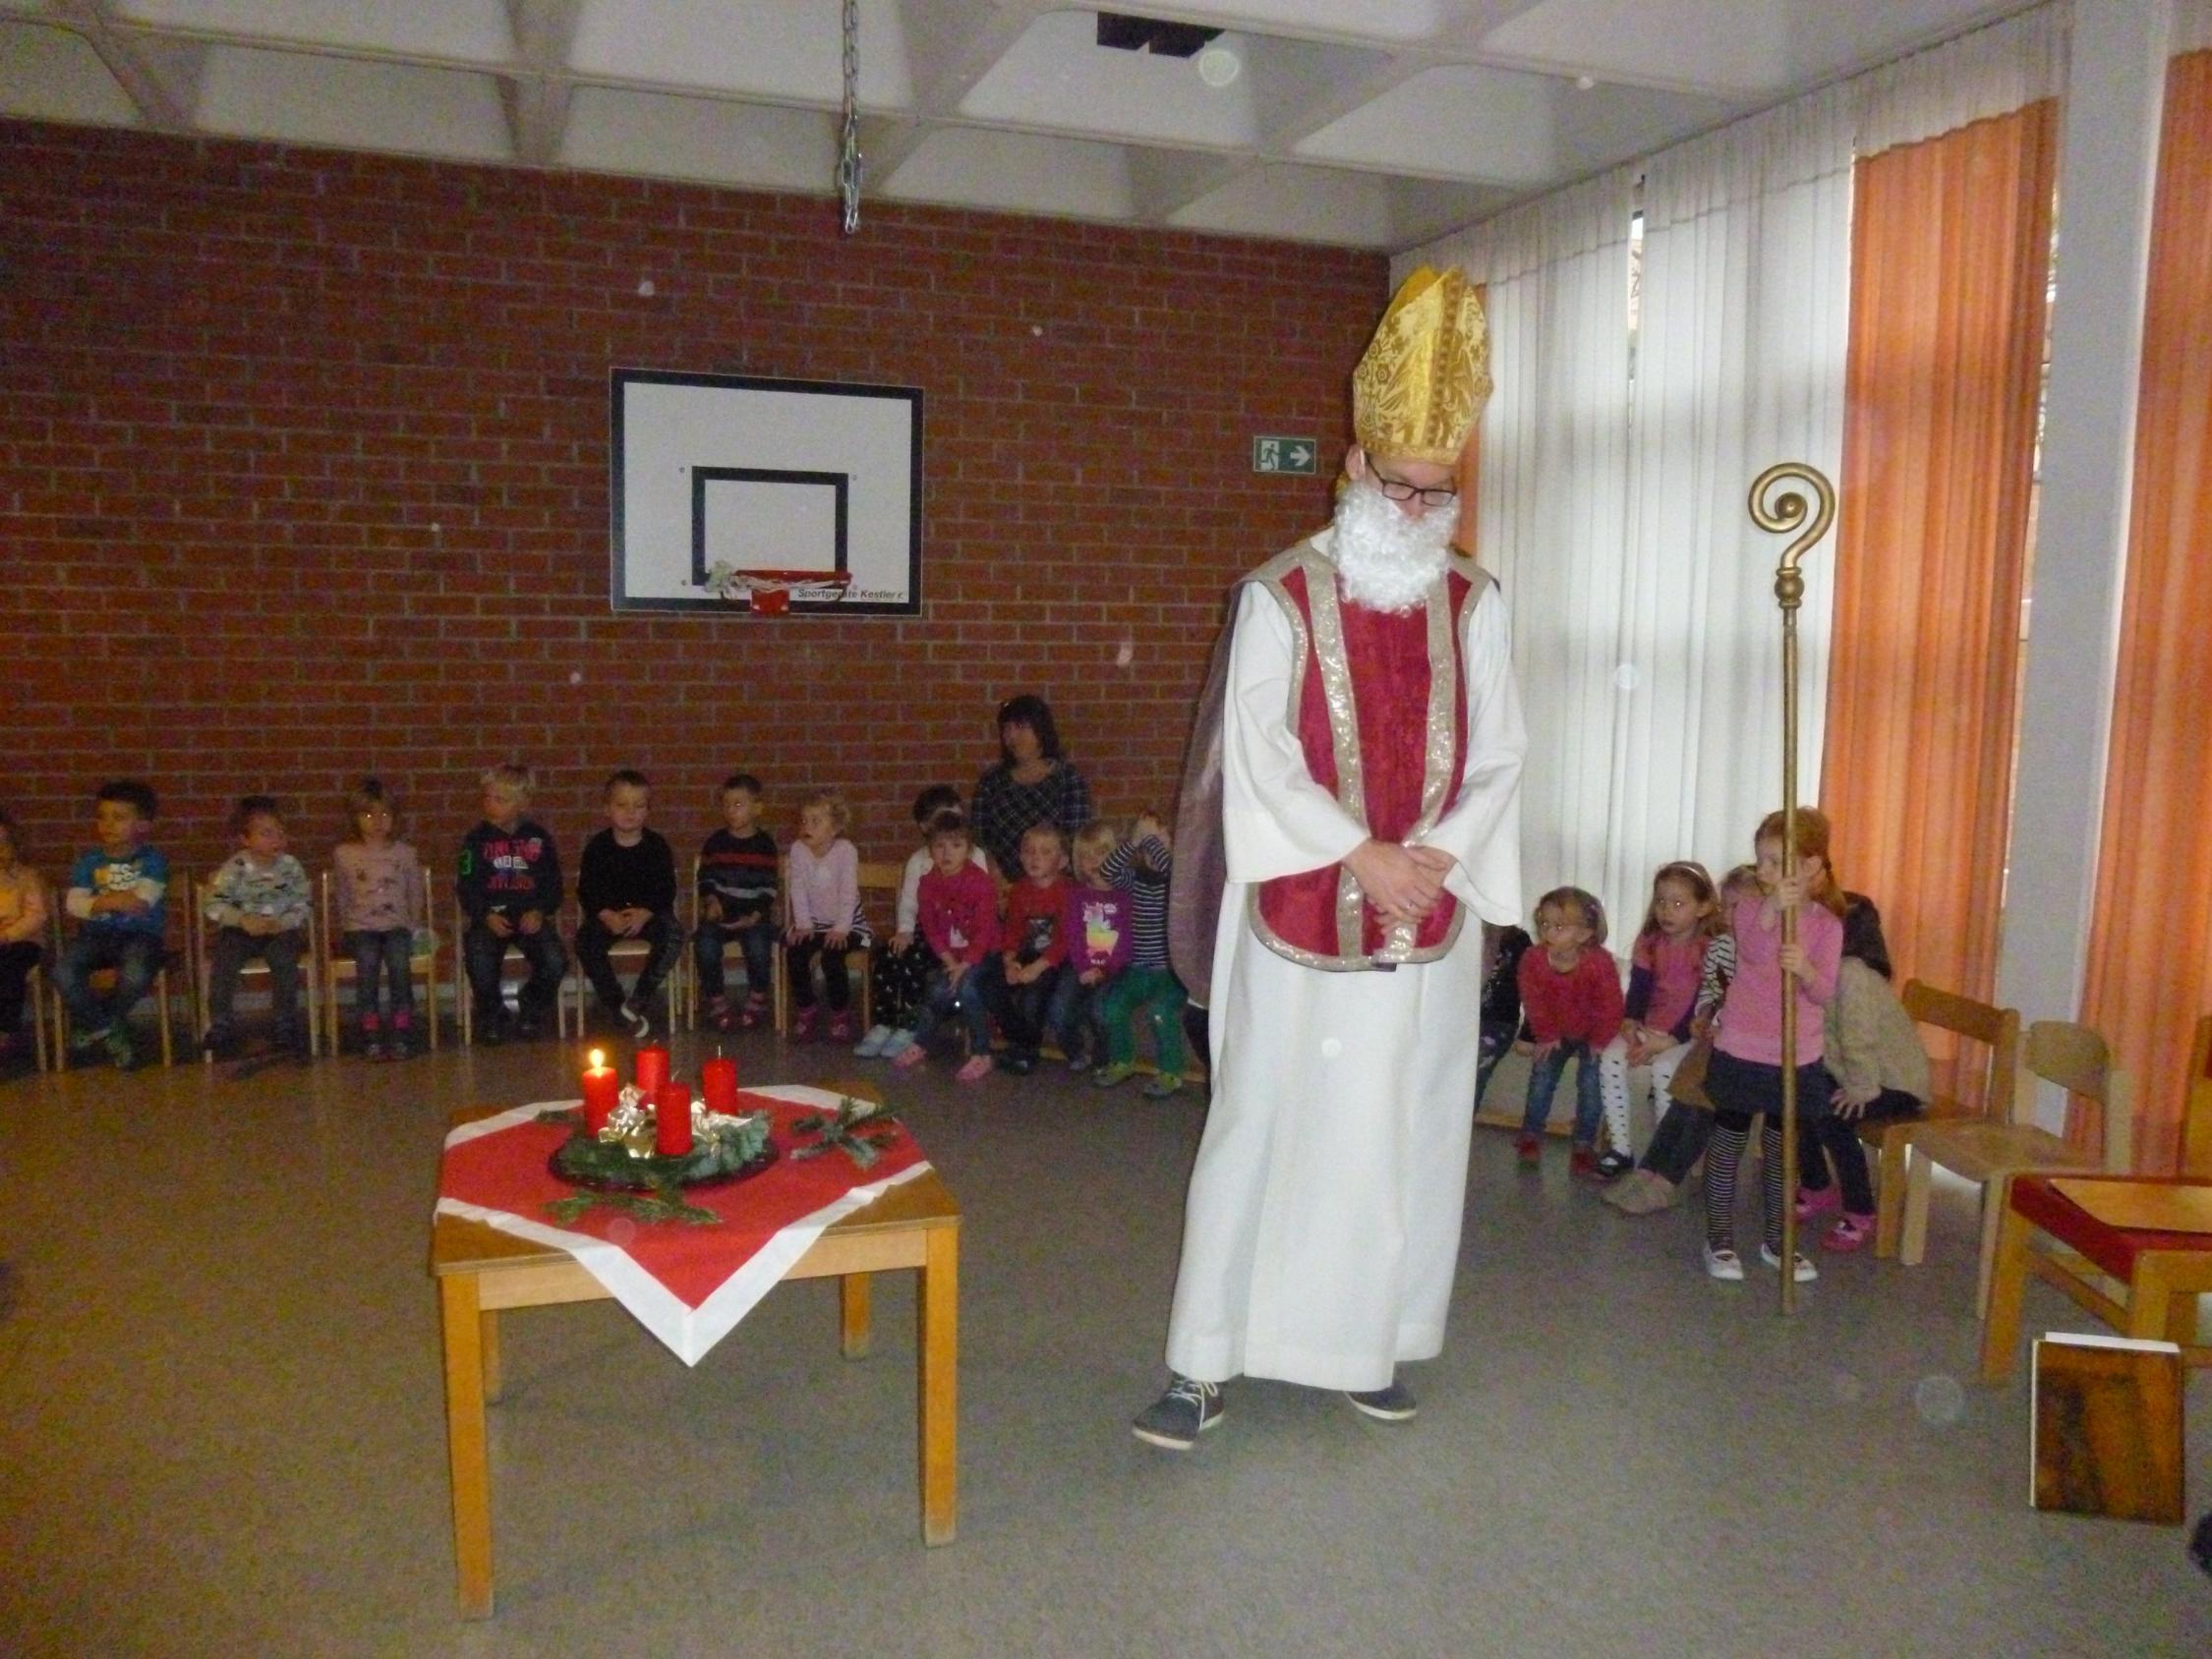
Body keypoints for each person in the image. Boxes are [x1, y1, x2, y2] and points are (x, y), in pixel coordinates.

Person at [1137, 266, 1525, 1449]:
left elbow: (1503, 753)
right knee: (1263, 1119)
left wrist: (1432, 861)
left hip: (1429, 920)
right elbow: (1256, 754)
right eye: (1397, 485)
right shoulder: (1279, 598)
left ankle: (1375, 1342)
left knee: (1405, 1129)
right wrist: (1362, 851)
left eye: (1436, 491)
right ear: (1350, 468)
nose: (1415, 510)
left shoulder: (1478, 602)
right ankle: (1206, 1359)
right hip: (1302, 910)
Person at [1699, 809, 1845, 1285]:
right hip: (1742, 1048)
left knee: (1784, 1152)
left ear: (1807, 865)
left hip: (1795, 1056)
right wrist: (1770, 911)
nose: (1761, 870)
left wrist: (1804, 969)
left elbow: (1824, 993)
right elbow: (1756, 954)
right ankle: (1719, 1238)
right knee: (1728, 1144)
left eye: (1773, 861)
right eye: (1759, 859)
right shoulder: (1747, 910)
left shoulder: (1827, 925)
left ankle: (1779, 1241)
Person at [1604, 863, 1758, 1215]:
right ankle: (1649, 1168)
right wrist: (1705, 1017)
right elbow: (1711, 991)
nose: (1730, 914)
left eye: (1740, 907)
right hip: (1718, 1040)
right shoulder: (1722, 945)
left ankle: (1670, 1179)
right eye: (1729, 906)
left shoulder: (1762, 951)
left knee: (1701, 1096)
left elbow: (1759, 1002)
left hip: (1749, 1050)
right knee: (1684, 1098)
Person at [1793, 893, 1931, 1251]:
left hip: (1892, 1081)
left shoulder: (1853, 974)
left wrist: (1861, 1087)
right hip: (1851, 1070)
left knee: (1833, 1115)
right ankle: (1817, 1185)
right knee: (1793, 1098)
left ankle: (1859, 1210)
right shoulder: (1821, 971)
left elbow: (1859, 1039)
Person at [1594, 862, 1721, 1177]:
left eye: (1679, 904)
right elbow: (1639, 988)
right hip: (1652, 1025)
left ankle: (1664, 1155)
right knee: (1611, 1060)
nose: (1667, 910)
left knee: (1666, 1070)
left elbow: (1702, 1001)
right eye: (1661, 901)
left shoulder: (1708, 947)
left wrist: (1669, 1040)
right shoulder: (1650, 941)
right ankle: (1621, 1148)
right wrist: (1631, 1020)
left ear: (1703, 907)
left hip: (1691, 1032)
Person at [858, 785, 991, 1059]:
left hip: (961, 932)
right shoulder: (918, 861)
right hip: (929, 927)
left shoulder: (974, 857)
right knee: (889, 953)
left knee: (916, 963)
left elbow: (981, 910)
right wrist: (904, 931)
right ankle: (885, 1022)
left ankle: (910, 1026)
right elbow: (909, 902)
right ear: (925, 827)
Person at [56, 779, 169, 1072]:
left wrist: (98, 902)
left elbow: (141, 901)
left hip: (140, 936)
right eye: (102, 817)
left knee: (135, 973)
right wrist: (113, 902)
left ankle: (98, 1023)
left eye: (119, 818)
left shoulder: (152, 861)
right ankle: (108, 1027)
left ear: (143, 825)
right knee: (63, 971)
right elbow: (73, 904)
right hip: (96, 935)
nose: (108, 824)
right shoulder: (88, 862)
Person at [1514, 887, 1623, 1176]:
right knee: (1542, 1078)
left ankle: (1584, 1144)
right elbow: (1532, 1000)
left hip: (1592, 1033)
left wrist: (1600, 1041)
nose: (1549, 932)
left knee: (1590, 1085)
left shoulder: (1599, 963)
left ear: (1585, 934)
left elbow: (1611, 1005)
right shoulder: (1534, 959)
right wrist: (1546, 1035)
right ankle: (1530, 1134)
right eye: (1545, 924)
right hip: (1554, 1031)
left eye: (1559, 926)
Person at [457, 764, 566, 1044]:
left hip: (529, 914)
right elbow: (466, 886)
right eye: (488, 797)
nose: (490, 804)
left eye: (500, 800)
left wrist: (540, 911)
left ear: (522, 804)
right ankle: (492, 1014)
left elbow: (553, 884)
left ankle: (531, 1005)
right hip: (491, 917)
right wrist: (484, 915)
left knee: (555, 960)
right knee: (479, 959)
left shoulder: (538, 839)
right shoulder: (475, 840)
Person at [201, 794, 313, 1058]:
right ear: (246, 839)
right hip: (242, 929)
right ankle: (221, 1023)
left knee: (285, 960)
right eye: (266, 833)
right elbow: (213, 904)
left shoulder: (290, 867)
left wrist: (283, 922)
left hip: (278, 929)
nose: (276, 839)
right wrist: (240, 919)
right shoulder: (235, 868)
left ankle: (284, 1022)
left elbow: (303, 904)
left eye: (280, 832)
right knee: (224, 960)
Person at [892, 813, 999, 1080]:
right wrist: (950, 962)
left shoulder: (981, 882)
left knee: (968, 988)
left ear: (969, 850)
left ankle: (982, 1053)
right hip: (953, 957)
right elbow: (930, 928)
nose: (947, 853)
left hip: (984, 954)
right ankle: (921, 1042)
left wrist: (965, 964)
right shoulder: (928, 883)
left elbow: (986, 931)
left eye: (956, 845)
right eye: (939, 846)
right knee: (938, 990)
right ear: (930, 850)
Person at [575, 769, 681, 1041]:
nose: (630, 812)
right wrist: (605, 913)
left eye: (638, 805)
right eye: (622, 805)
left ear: (648, 811)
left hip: (647, 915)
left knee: (673, 935)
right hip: (609, 916)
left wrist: (646, 912)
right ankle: (615, 1003)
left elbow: (666, 887)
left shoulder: (657, 846)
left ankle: (639, 999)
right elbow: (587, 888)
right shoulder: (597, 847)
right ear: (607, 809)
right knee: (586, 941)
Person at [1091, 814, 1188, 1097]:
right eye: (1147, 847)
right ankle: (1123, 1060)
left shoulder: (1176, 883)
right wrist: (1134, 841)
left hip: (1170, 973)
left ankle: (1171, 1072)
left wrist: (1149, 839)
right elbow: (1108, 870)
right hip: (1137, 970)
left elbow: (1171, 868)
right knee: (1112, 1007)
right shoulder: (1134, 880)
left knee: (1160, 1011)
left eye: (1160, 843)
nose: (1153, 851)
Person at [332, 776, 428, 1059]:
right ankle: (369, 1027)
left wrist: (413, 924)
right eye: (369, 814)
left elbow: (414, 892)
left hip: (397, 926)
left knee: (399, 963)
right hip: (361, 928)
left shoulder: (405, 854)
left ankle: (402, 1027)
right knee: (368, 963)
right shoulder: (345, 854)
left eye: (385, 814)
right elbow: (342, 893)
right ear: (355, 818)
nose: (377, 821)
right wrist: (345, 925)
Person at [974, 823, 1071, 1075]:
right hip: (1025, 955)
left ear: (1061, 861)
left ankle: (1025, 1052)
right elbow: (1013, 931)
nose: (1035, 857)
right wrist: (1009, 961)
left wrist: (1037, 968)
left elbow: (1065, 940)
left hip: (1054, 959)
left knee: (1033, 994)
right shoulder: (1020, 889)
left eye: (1045, 852)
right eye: (1029, 851)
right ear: (1020, 856)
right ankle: (1024, 1039)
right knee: (988, 983)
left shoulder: (1068, 892)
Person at [695, 772, 781, 1032]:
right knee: (705, 944)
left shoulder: (764, 845)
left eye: (739, 804)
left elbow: (769, 887)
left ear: (757, 808)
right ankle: (716, 999)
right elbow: (705, 878)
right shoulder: (716, 842)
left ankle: (758, 997)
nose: (731, 811)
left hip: (754, 915)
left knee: (757, 945)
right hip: (721, 913)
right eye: (727, 804)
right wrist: (711, 900)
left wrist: (755, 915)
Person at [970, 695, 1094, 872]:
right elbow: (980, 841)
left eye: (1020, 727)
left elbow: (1075, 842)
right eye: (1006, 728)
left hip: (1053, 886)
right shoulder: (992, 782)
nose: (1011, 736)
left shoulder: (1067, 780)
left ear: (1041, 730)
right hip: (1001, 887)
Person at [785, 791, 871, 1044]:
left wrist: (842, 928)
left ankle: (840, 1012)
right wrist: (803, 925)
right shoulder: (798, 850)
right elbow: (797, 888)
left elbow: (848, 891)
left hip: (851, 925)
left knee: (833, 957)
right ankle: (806, 1006)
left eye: (815, 821)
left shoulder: (846, 851)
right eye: (803, 821)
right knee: (796, 951)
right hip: (816, 924)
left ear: (834, 828)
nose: (806, 827)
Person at [1048, 818, 1134, 1073]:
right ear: (1078, 862)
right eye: (1086, 856)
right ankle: (1075, 1051)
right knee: (1058, 1010)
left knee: (1099, 1010)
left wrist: (1106, 970)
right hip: (1080, 964)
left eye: (1102, 853)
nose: (1095, 861)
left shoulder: (1125, 895)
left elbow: (1127, 939)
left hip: (1115, 968)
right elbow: (1073, 934)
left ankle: (1104, 1057)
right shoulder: (1077, 895)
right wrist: (1084, 967)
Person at [0, 810, 49, 1063]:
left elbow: (36, 915)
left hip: (21, 942)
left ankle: (5, 1030)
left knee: (8, 967)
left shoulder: (27, 877)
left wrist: (8, 935)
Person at [1473, 924, 1532, 1109]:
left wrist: (1528, 1034)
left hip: (1497, 1022)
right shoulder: (1465, 931)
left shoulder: (1518, 940)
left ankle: (1456, 1133)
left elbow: (1533, 988)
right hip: (1456, 1019)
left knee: (1474, 1076)